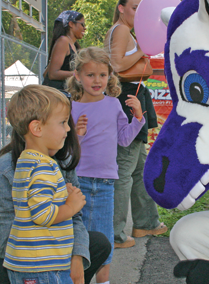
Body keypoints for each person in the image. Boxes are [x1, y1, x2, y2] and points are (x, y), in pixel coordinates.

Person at [0, 91, 111, 284]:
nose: (68, 130)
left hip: (44, 241)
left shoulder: (58, 161)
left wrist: (76, 259)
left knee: (96, 244)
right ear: (37, 128)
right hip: (5, 256)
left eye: (68, 122)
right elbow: (8, 244)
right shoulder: (0, 173)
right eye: (62, 123)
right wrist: (57, 262)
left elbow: (75, 219)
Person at [67, 46, 145, 284]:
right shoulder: (70, 106)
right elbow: (62, 148)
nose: (97, 80)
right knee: (76, 237)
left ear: (110, 75)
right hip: (76, 182)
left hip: (105, 183)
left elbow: (123, 138)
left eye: (102, 75)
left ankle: (103, 281)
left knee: (104, 235)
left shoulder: (113, 105)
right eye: (90, 75)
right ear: (78, 76)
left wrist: (138, 118)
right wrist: (76, 135)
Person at [104, 0, 167, 250]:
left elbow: (148, 69)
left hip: (134, 95)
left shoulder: (126, 32)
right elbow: (116, 66)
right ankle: (115, 234)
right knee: (125, 170)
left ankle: (146, 222)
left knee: (139, 168)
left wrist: (141, 60)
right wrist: (141, 51)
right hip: (127, 99)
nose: (137, 13)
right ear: (121, 9)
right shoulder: (120, 31)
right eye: (134, 7)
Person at [43, 10, 86, 90]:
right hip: (56, 95)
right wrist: (80, 74)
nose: (85, 28)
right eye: (82, 24)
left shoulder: (74, 45)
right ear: (71, 24)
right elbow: (52, 74)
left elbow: (45, 73)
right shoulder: (63, 41)